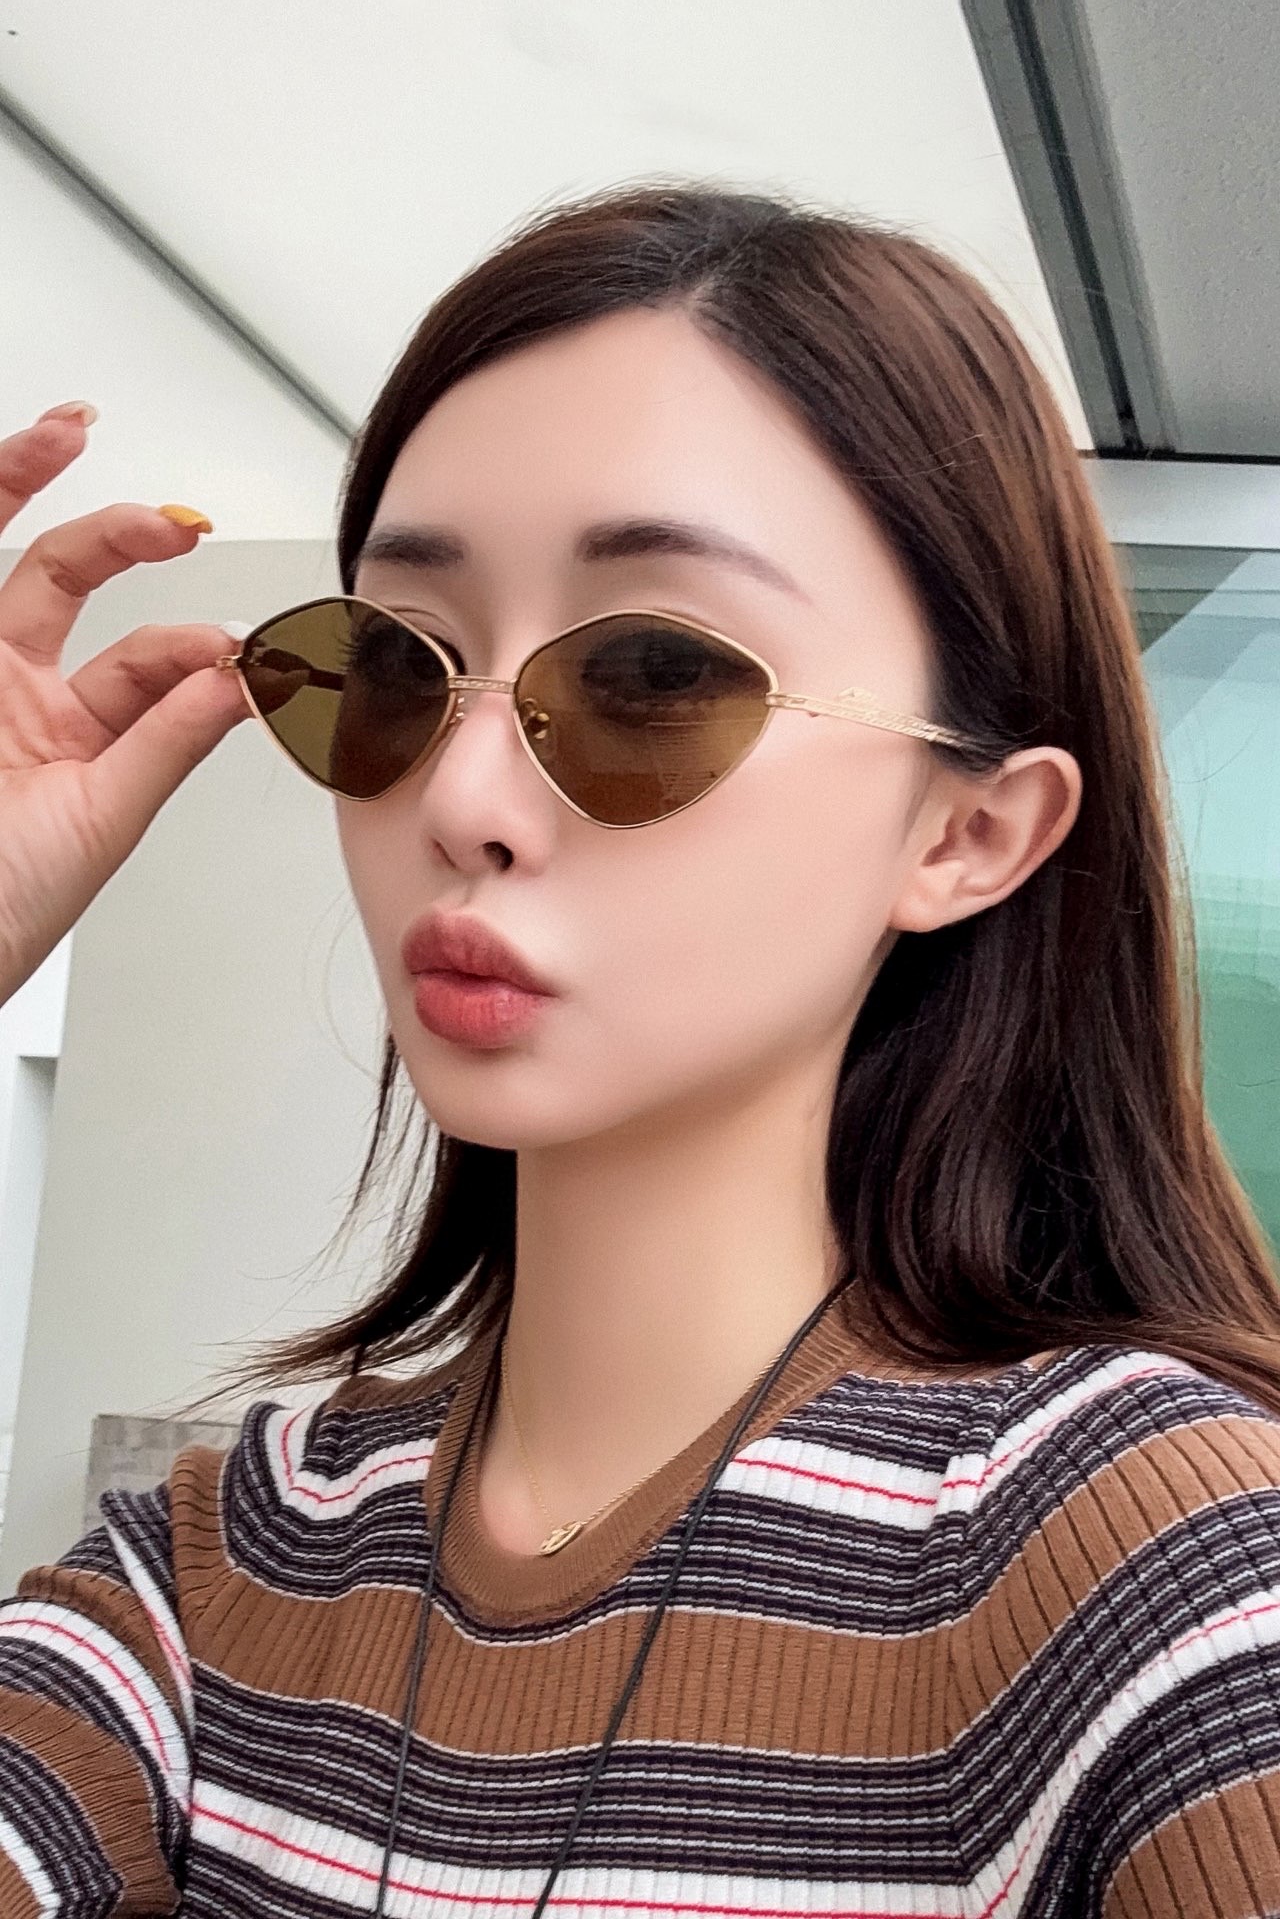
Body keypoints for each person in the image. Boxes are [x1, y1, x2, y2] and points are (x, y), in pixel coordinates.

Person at [2, 184, 1280, 1919]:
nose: (460, 796)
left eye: (657, 676)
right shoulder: (218, 1573)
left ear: (969, 831)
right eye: (398, 666)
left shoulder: (1173, 1573)